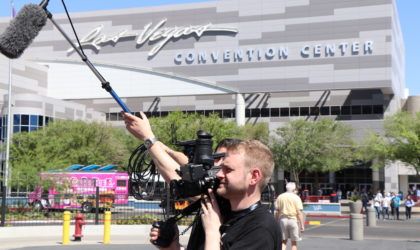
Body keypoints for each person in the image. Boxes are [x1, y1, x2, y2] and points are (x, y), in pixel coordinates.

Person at [121, 111, 282, 250]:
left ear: (254, 177)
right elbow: (177, 177)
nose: (218, 174)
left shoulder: (260, 229)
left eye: (228, 169)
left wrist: (213, 231)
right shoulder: (218, 206)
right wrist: (173, 247)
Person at [275, 182, 305, 250]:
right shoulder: (296, 197)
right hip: (293, 220)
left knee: (283, 242)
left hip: (283, 220)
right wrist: (302, 225)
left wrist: (276, 221)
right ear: (294, 189)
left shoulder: (280, 196)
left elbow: (277, 211)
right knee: (294, 243)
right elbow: (299, 213)